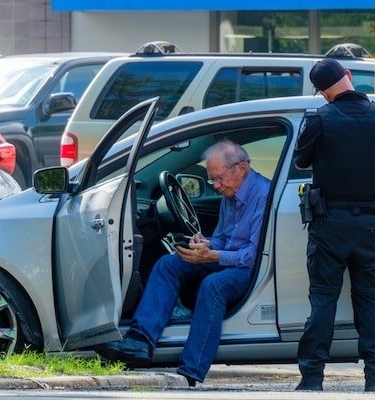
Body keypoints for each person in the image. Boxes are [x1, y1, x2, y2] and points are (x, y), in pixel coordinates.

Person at [96, 139, 270, 387]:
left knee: (213, 285)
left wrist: (213, 256)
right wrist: (206, 244)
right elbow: (223, 238)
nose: (216, 186)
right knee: (169, 263)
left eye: (219, 178)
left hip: (250, 269)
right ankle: (139, 342)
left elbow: (253, 255)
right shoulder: (230, 193)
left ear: (241, 168)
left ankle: (191, 371)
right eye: (212, 180)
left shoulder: (263, 195)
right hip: (228, 257)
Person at [293, 58, 375, 393]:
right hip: (372, 227)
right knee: (369, 302)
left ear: (322, 92)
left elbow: (301, 160)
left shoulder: (320, 119)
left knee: (323, 301)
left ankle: (312, 379)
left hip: (329, 225)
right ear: (347, 77)